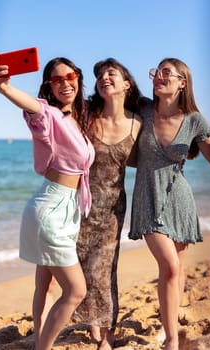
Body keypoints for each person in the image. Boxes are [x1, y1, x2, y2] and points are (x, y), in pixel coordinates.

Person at [0, 57, 95, 350]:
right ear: (49, 87)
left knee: (47, 286)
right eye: (57, 80)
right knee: (76, 290)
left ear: (78, 78)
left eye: (70, 76)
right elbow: (31, 106)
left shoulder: (78, 119)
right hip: (50, 209)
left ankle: (41, 341)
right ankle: (43, 347)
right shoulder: (48, 114)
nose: (65, 83)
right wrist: (4, 87)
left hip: (66, 209)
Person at [128, 57, 210, 350]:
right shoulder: (144, 109)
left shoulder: (195, 120)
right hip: (147, 197)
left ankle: (165, 325)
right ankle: (173, 340)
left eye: (166, 73)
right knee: (170, 267)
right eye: (156, 72)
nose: (158, 77)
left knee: (177, 269)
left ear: (182, 83)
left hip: (179, 199)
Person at [73, 58, 142, 350]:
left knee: (105, 268)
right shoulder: (87, 114)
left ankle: (107, 333)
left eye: (110, 73)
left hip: (113, 206)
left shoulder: (138, 124)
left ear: (126, 84)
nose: (103, 77)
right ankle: (91, 323)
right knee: (79, 264)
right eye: (100, 75)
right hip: (78, 203)